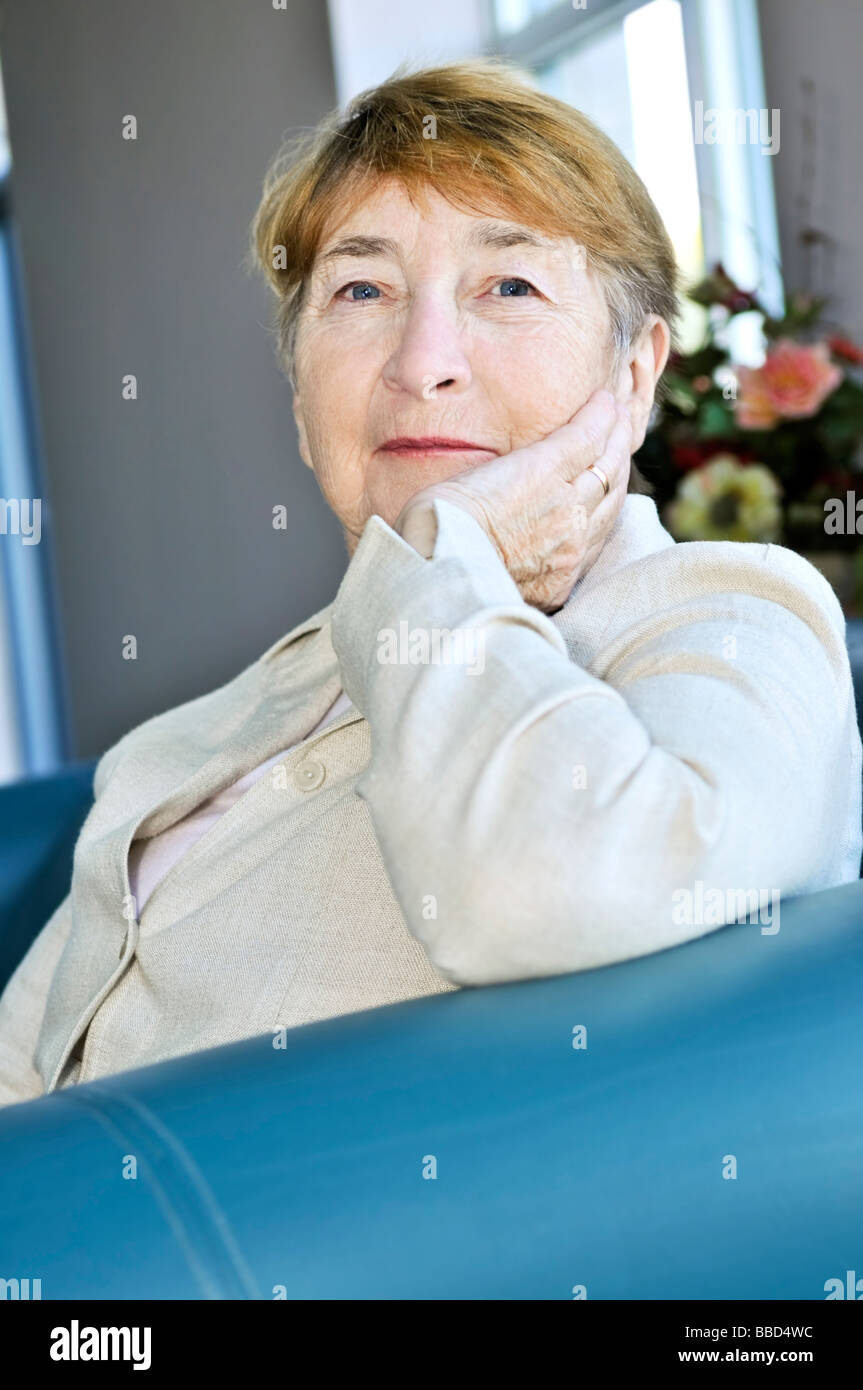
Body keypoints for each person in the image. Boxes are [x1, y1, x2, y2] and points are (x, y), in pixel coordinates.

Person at [0, 60, 859, 1106]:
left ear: (632, 378)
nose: (422, 361)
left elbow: (552, 886)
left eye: (508, 286)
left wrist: (446, 543)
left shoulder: (731, 619)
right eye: (361, 289)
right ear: (296, 386)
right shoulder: (219, 718)